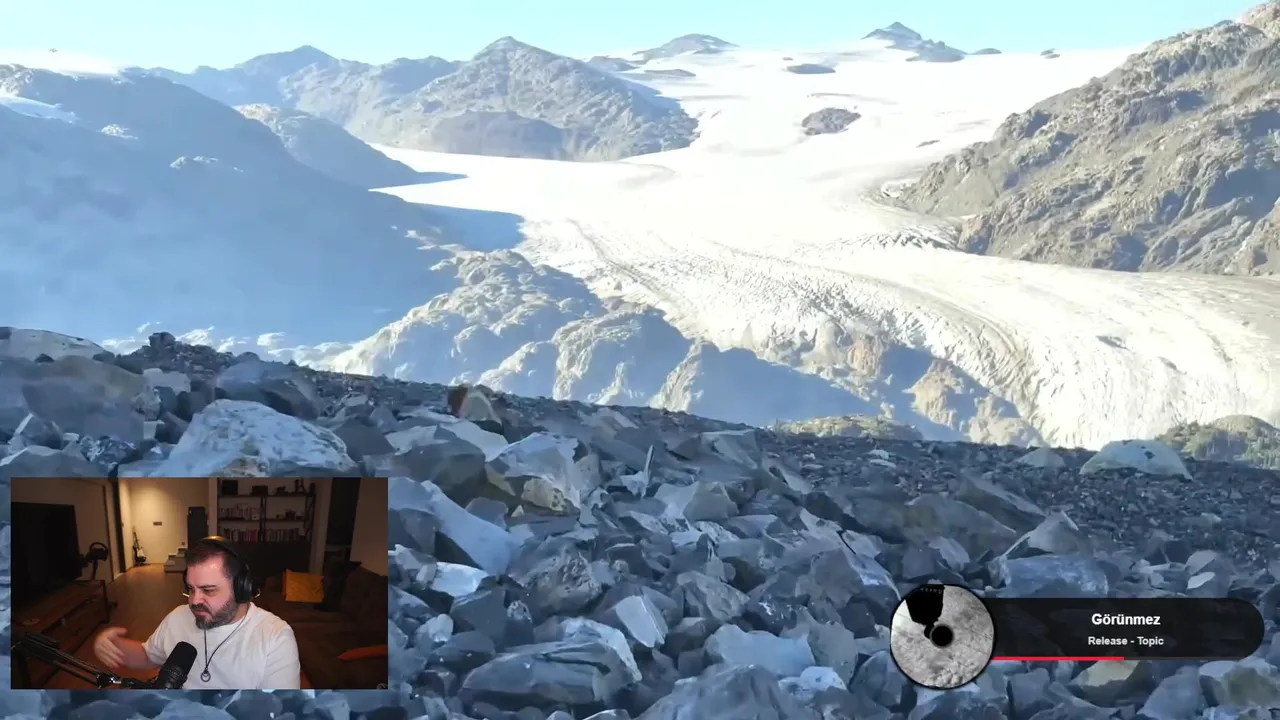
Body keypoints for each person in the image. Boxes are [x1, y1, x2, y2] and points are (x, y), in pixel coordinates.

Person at [93, 536, 300, 689]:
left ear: (241, 589)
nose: (194, 601)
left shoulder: (275, 637)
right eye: (191, 589)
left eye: (208, 590)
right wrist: (115, 646)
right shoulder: (178, 617)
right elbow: (149, 656)